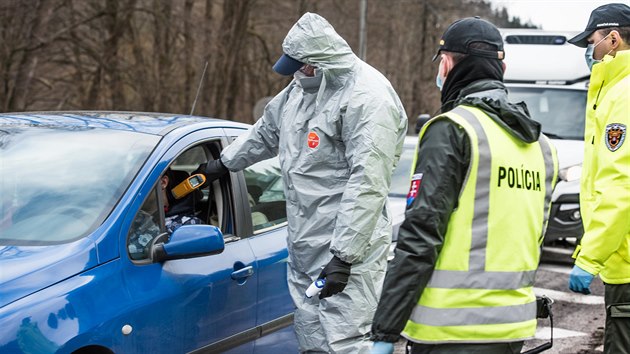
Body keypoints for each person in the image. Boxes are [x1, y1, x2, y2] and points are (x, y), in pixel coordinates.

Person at [199, 12, 407, 353]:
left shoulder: (368, 99)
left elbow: (368, 181)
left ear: (317, 63)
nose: (295, 74)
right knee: (310, 331)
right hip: (304, 239)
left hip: (346, 248)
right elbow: (265, 131)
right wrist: (222, 163)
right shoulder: (300, 91)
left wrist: (345, 256)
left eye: (300, 66)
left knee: (346, 339)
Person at [370, 17, 558, 354]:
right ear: (501, 67)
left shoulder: (452, 129)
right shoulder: (541, 145)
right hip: (512, 328)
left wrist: (384, 331)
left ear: (447, 63)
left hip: (451, 333)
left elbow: (420, 236)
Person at [566, 3, 630, 354]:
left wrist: (589, 259)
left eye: (592, 42)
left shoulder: (623, 95)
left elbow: (622, 187)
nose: (590, 52)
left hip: (626, 266)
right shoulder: (615, 90)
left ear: (613, 39)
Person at [128, 169, 203, 259]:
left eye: (137, 182)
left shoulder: (187, 226)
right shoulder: (126, 217)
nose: (130, 190)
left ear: (163, 182)